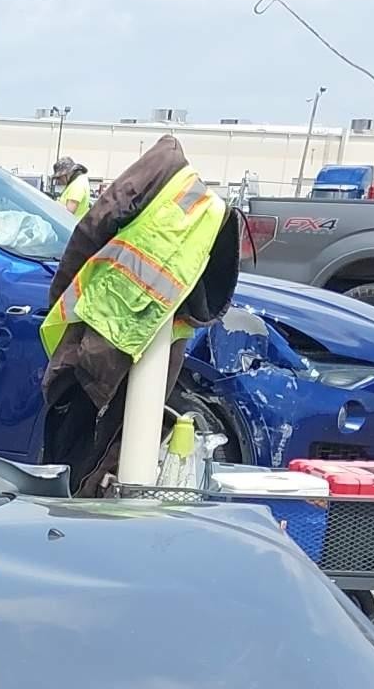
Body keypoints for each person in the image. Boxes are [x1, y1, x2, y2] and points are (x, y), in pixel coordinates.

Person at [37, 134, 241, 495]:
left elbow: (92, 226)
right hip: (151, 331)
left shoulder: (165, 167)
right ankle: (91, 500)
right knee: (114, 438)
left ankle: (78, 507)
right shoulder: (207, 208)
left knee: (79, 433)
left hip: (109, 323)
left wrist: (60, 292)